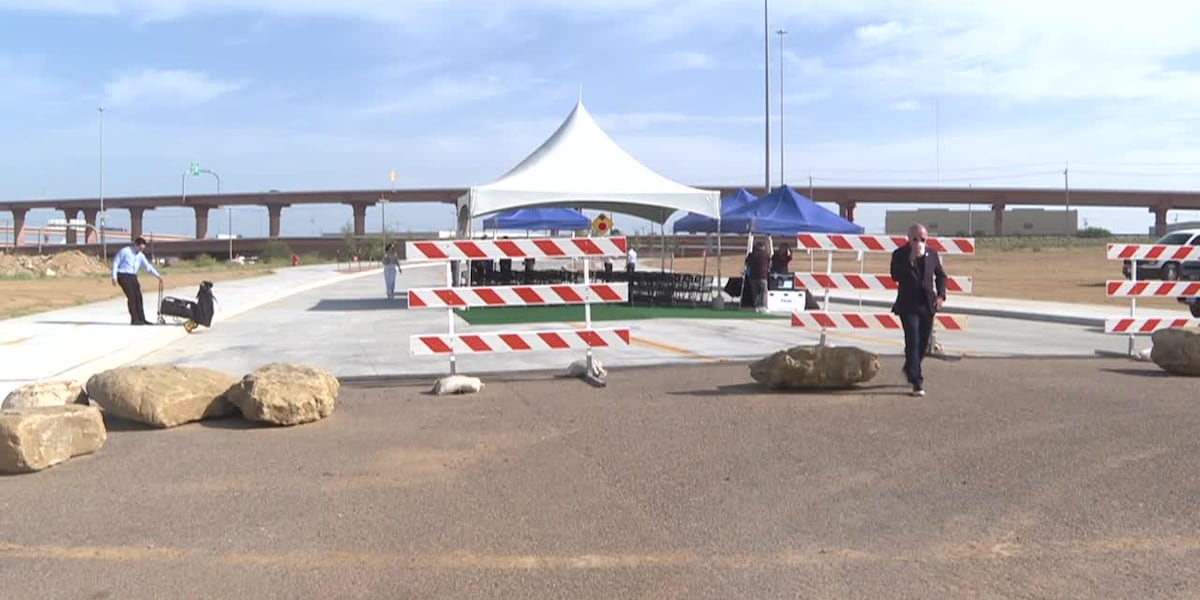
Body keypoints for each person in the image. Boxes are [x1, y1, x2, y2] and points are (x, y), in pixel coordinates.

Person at [890, 223, 947, 397]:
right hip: (908, 305)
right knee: (913, 340)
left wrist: (941, 296)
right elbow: (894, 275)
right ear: (909, 238)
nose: (919, 242)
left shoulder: (932, 254)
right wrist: (910, 259)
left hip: (927, 304)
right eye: (915, 239)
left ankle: (911, 366)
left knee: (923, 342)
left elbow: (940, 275)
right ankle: (916, 381)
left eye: (922, 239)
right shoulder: (899, 254)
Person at [110, 237, 163, 326]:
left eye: (143, 249)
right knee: (131, 297)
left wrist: (158, 276)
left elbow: (148, 267)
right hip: (123, 275)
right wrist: (114, 277)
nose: (141, 250)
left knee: (138, 297)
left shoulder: (140, 255)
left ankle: (142, 319)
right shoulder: (125, 251)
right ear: (135, 245)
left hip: (133, 276)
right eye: (140, 248)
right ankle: (134, 319)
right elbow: (115, 263)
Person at [745, 242, 770, 311]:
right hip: (763, 276)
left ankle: (756, 306)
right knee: (764, 291)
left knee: (755, 292)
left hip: (753, 276)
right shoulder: (766, 254)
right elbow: (769, 263)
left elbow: (747, 262)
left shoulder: (752, 255)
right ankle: (763, 305)